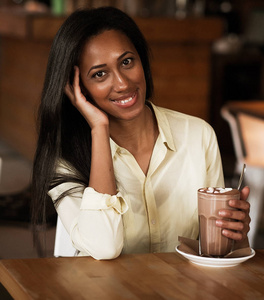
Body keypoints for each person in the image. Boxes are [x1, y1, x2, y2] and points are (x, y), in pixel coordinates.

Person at [31, 6, 250, 260]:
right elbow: (104, 247)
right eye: (100, 74)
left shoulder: (198, 135)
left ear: (141, 61)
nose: (123, 83)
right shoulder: (65, 159)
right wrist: (99, 129)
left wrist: (236, 233)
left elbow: (217, 253)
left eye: (126, 62)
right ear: (78, 87)